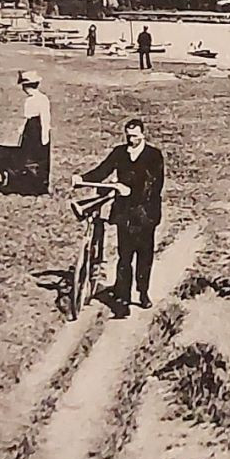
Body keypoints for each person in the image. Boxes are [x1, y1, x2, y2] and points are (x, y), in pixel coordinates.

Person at [81, 118, 166, 317]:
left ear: (143, 134)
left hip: (145, 214)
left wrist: (131, 191)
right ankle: (123, 299)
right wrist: (83, 178)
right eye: (128, 136)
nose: (131, 139)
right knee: (124, 257)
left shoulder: (154, 155)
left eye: (135, 136)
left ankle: (143, 292)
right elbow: (103, 170)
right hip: (124, 214)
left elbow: (155, 185)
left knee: (144, 257)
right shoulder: (120, 153)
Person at [9, 70, 51, 196]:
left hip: (38, 129)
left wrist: (44, 135)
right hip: (30, 129)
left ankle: (38, 186)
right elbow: (27, 118)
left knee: (38, 158)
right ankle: (26, 184)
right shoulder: (29, 100)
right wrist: (22, 129)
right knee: (25, 156)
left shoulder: (42, 99)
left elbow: (45, 117)